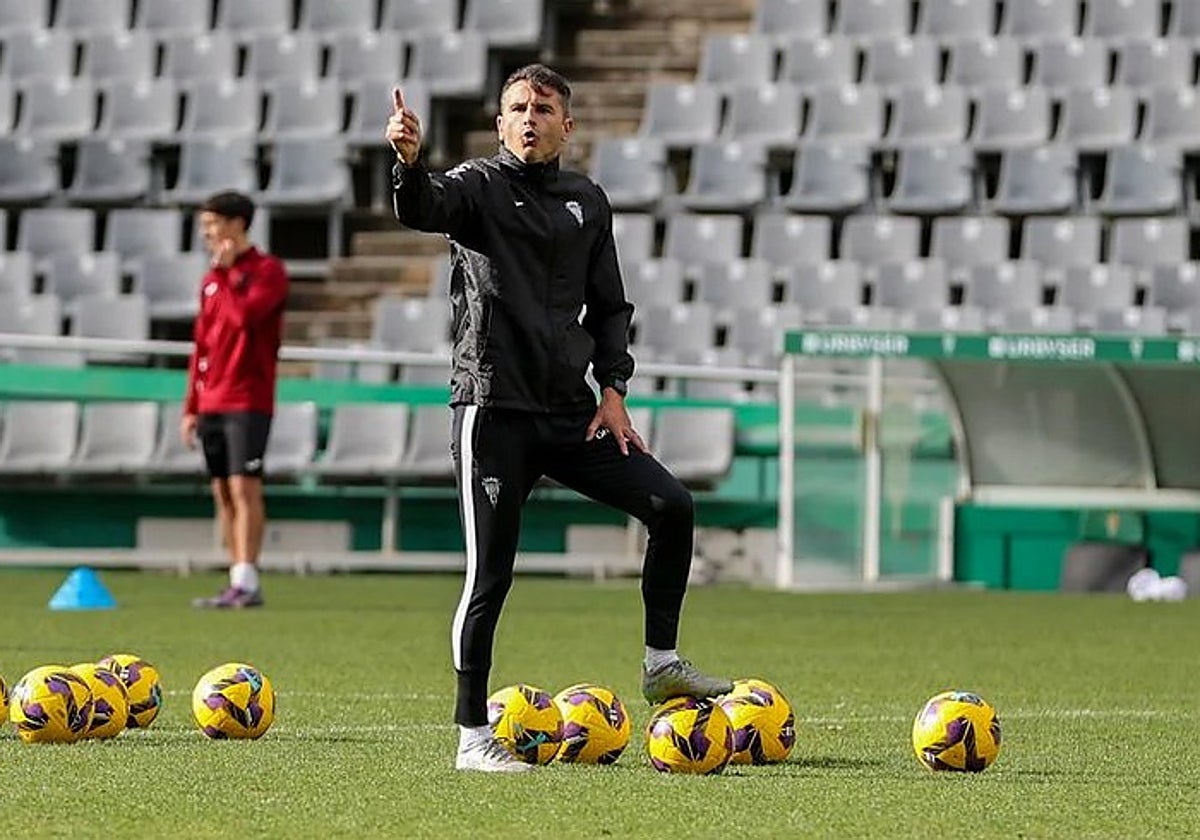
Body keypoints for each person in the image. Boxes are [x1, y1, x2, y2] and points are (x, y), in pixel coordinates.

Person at [387, 64, 732, 773]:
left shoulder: (587, 200)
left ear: (566, 126)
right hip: (493, 410)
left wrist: (614, 388)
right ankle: (471, 737)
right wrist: (409, 164)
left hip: (572, 412)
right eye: (517, 107)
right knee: (490, 576)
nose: (529, 118)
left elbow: (610, 305)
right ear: (500, 123)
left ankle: (661, 663)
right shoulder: (476, 186)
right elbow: (422, 207)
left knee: (670, 504)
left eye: (543, 108)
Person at [183, 191, 289, 609]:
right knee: (222, 491)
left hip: (248, 398)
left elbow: (244, 319)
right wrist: (191, 406)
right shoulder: (210, 279)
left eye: (212, 224)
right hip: (211, 400)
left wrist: (226, 275)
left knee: (244, 487)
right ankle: (235, 579)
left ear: (237, 224)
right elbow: (201, 346)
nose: (206, 233)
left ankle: (248, 580)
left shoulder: (268, 271)